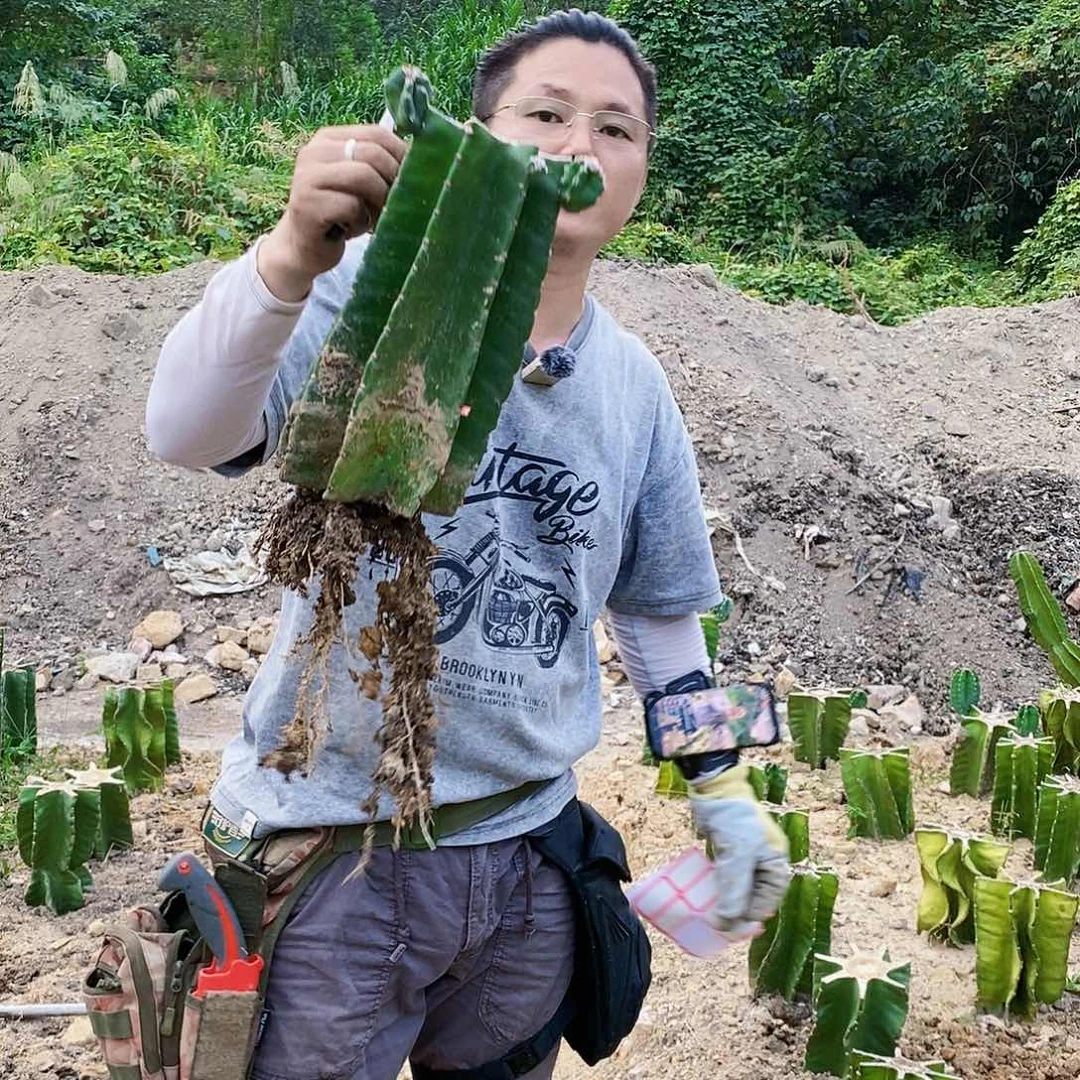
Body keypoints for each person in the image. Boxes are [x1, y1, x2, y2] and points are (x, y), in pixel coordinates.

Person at [146, 10, 789, 1080]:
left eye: (616, 128)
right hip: (334, 860)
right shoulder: (364, 295)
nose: (579, 145)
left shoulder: (635, 389)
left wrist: (723, 793)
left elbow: (660, 617)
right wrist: (291, 253)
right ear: (483, 137)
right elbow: (185, 433)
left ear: (641, 170)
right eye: (546, 114)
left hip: (529, 860)